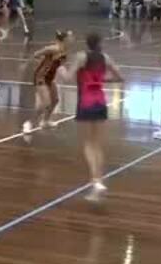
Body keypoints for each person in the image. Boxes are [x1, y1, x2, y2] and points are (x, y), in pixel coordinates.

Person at [60, 32, 124, 201]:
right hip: (101, 103)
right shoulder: (106, 58)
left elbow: (67, 78)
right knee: (97, 145)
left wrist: (60, 68)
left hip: (86, 102)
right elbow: (119, 77)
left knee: (88, 144)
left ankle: (95, 181)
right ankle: (99, 180)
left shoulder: (81, 57)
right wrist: (102, 80)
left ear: (87, 43)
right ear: (100, 43)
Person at [22, 30, 71, 136]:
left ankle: (45, 121)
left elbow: (60, 66)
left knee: (55, 100)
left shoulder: (64, 51)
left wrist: (66, 75)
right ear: (65, 39)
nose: (72, 39)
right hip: (41, 77)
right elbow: (36, 54)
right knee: (45, 103)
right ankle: (28, 123)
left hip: (49, 78)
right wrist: (27, 64)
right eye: (70, 37)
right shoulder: (53, 48)